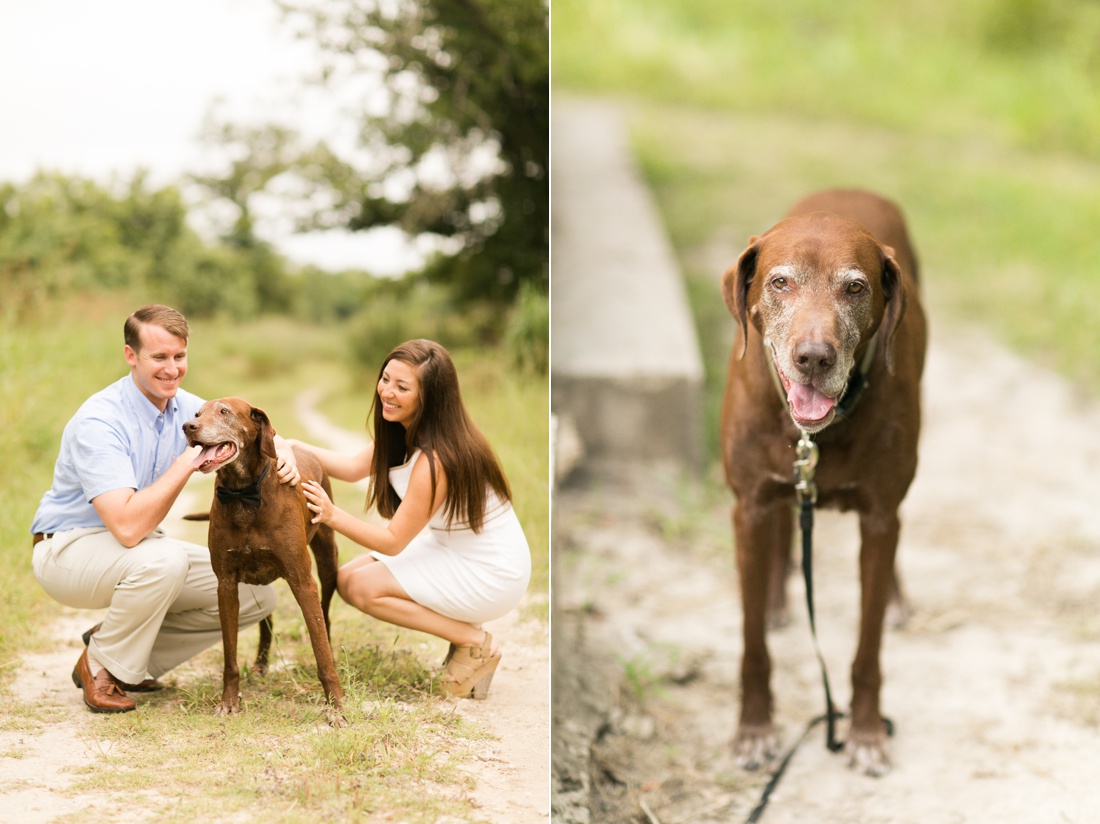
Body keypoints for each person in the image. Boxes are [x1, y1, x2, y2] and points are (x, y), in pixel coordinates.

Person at [30, 304, 301, 714]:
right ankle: (101, 665)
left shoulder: (182, 405)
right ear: (131, 356)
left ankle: (122, 656)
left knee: (255, 596)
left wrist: (288, 450)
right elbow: (126, 527)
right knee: (165, 560)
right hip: (68, 549)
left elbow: (250, 429)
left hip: (133, 553)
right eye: (159, 357)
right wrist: (186, 462)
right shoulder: (100, 421)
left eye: (179, 356)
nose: (172, 369)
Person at [296, 339, 532, 700]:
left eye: (402, 387)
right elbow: (349, 467)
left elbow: (393, 541)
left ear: (430, 398)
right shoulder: (403, 431)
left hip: (491, 572)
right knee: (348, 579)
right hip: (451, 548)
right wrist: (283, 442)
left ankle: (473, 641)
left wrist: (331, 514)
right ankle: (466, 635)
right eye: (386, 379)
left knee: (362, 588)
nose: (387, 392)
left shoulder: (437, 458)